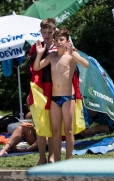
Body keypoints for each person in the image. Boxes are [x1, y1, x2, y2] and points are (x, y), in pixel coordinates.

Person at [33, 29, 88, 161]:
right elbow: (36, 68)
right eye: (56, 40)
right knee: (55, 131)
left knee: (68, 131)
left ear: (67, 41)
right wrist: (39, 54)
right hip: (54, 99)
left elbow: (86, 64)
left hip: (68, 98)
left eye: (61, 40)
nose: (58, 42)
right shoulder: (51, 57)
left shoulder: (71, 56)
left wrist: (73, 54)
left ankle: (68, 160)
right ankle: (57, 160)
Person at [28, 18, 57, 165]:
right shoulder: (35, 47)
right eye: (44, 32)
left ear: (54, 31)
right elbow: (32, 70)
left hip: (55, 88)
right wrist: (30, 93)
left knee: (51, 124)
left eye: (50, 32)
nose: (47, 34)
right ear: (40, 32)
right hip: (39, 88)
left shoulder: (59, 46)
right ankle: (41, 158)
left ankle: (51, 157)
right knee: (40, 124)